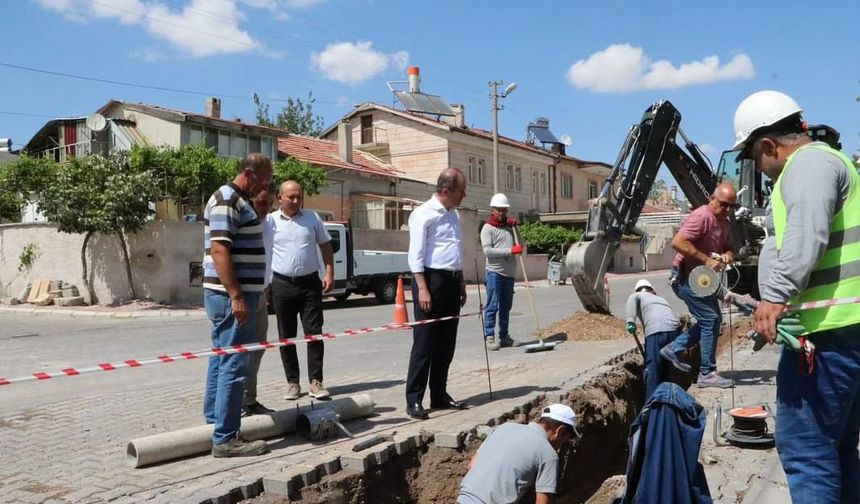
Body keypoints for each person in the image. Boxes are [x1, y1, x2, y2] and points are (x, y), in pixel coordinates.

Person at [733, 90, 860, 503]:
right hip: (840, 331)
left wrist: (774, 298)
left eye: (755, 158)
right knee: (835, 449)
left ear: (769, 145)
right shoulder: (828, 162)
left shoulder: (807, 164)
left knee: (806, 449)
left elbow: (807, 235)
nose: (760, 168)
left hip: (829, 334)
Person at [202, 153, 272, 457]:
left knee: (222, 358)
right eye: (265, 178)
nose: (268, 184)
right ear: (250, 173)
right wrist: (237, 296)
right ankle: (226, 438)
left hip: (236, 295)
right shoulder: (228, 201)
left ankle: (215, 422)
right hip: (231, 297)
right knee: (234, 362)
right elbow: (220, 250)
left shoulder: (236, 200)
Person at [405, 168, 468, 420]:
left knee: (446, 343)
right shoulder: (423, 214)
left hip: (451, 281)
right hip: (430, 280)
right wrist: (422, 288)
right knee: (424, 343)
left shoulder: (455, 215)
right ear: (446, 191)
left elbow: (455, 251)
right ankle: (414, 399)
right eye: (461, 191)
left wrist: (461, 283)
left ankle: (439, 394)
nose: (464, 195)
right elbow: (416, 254)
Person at [660, 181, 737, 388]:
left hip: (703, 279)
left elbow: (729, 247)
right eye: (723, 204)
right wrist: (707, 260)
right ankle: (706, 373)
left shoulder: (725, 222)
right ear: (711, 199)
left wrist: (727, 255)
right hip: (686, 276)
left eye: (731, 206)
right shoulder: (701, 216)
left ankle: (676, 350)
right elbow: (678, 242)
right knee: (710, 319)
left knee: (712, 320)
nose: (727, 209)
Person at [270, 180, 335, 401]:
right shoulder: (270, 221)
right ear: (280, 198)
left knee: (314, 333)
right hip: (282, 284)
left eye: (299, 196)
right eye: (291, 197)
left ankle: (316, 382)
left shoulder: (312, 218)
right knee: (286, 336)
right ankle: (292, 383)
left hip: (310, 284)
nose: (296, 201)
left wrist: (329, 272)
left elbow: (325, 245)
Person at [457, 403, 578, 504]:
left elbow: (472, 465)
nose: (564, 443)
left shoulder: (503, 428)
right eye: (568, 437)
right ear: (560, 431)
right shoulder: (548, 454)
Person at [241, 185, 277, 417]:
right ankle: (238, 403)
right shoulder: (244, 221)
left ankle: (249, 400)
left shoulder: (271, 222)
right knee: (240, 351)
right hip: (244, 292)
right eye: (262, 203)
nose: (266, 209)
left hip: (261, 290)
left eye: (270, 204)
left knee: (258, 347)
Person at [626, 279, 688, 399]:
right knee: (668, 371)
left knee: (653, 371)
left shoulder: (637, 295)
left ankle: (651, 406)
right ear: (652, 290)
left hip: (656, 332)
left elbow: (632, 299)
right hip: (675, 332)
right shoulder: (661, 300)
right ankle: (669, 402)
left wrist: (630, 320)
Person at [481, 193, 522, 351]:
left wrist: (516, 230)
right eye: (499, 210)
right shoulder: (487, 229)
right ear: (492, 210)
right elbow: (488, 252)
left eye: (504, 210)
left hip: (509, 274)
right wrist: (510, 251)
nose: (502, 213)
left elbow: (520, 245)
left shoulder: (510, 228)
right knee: (492, 305)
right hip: (494, 272)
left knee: (506, 306)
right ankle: (489, 337)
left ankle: (504, 336)